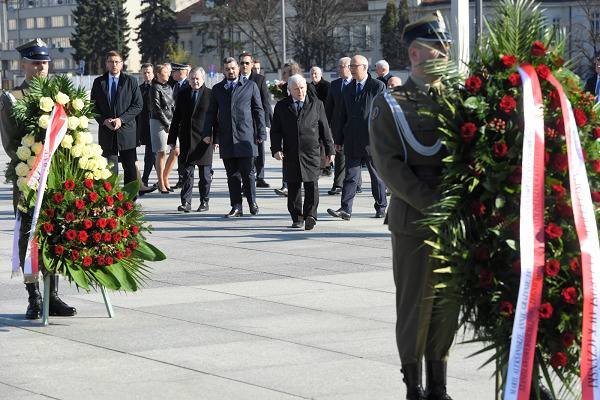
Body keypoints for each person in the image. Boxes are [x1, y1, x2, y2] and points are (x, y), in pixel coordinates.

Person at [369, 13, 456, 400]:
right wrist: (433, 204)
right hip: (415, 220)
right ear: (416, 53)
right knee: (416, 305)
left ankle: (439, 385)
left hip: (454, 221)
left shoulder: (458, 100)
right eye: (440, 48)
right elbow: (388, 165)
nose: (446, 54)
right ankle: (414, 386)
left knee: (446, 306)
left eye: (447, 48)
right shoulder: (391, 103)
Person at [0, 39, 76, 319]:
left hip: (56, 176)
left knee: (55, 230)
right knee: (29, 235)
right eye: (35, 62)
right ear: (23, 65)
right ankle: (34, 296)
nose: (41, 67)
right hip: (28, 178)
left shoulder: (59, 96)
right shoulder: (12, 98)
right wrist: (35, 160)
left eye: (44, 62)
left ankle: (53, 295)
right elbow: (11, 144)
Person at [327, 54, 387, 221]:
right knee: (350, 176)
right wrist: (338, 140)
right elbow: (341, 116)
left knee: (376, 176)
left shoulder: (377, 86)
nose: (351, 69)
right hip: (352, 139)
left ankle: (381, 206)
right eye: (350, 66)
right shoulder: (347, 89)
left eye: (354, 66)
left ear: (365, 67)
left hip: (372, 140)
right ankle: (346, 209)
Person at [204, 57, 266, 217]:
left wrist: (261, 132)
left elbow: (258, 110)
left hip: (246, 137)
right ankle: (236, 206)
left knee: (248, 173)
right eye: (227, 69)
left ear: (238, 69)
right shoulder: (218, 89)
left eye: (232, 68)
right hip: (227, 137)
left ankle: (252, 202)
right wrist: (207, 133)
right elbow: (211, 113)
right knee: (232, 175)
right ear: (223, 71)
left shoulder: (250, 86)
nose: (230, 71)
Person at [271, 74, 334, 230]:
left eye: (302, 88)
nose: (300, 91)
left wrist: (330, 151)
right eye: (296, 89)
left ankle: (311, 215)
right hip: (291, 152)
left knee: (312, 184)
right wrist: (276, 149)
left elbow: (325, 130)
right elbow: (275, 131)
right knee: (293, 186)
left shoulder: (316, 104)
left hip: (312, 152)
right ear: (289, 90)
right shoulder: (282, 106)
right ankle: (297, 217)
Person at [91, 50, 143, 186]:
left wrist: (122, 119)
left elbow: (138, 105)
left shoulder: (131, 81)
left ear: (122, 64)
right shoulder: (98, 82)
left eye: (117, 62)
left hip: (127, 132)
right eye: (111, 62)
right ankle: (110, 201)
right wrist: (103, 120)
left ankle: (130, 201)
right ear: (106, 64)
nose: (114, 64)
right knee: (109, 169)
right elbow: (92, 107)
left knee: (130, 168)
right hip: (107, 133)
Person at [168, 67, 213, 212]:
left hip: (204, 140)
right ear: (189, 79)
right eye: (192, 78)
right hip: (187, 139)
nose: (195, 81)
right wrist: (172, 139)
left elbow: (216, 119)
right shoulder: (182, 94)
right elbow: (176, 118)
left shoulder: (210, 94)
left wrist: (214, 138)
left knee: (205, 176)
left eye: (197, 78)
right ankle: (186, 202)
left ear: (203, 79)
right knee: (187, 174)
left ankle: (204, 202)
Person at [324, 57, 362, 195]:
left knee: (355, 154)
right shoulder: (334, 85)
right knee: (339, 154)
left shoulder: (358, 83)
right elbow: (329, 107)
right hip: (338, 126)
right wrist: (326, 125)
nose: (339, 69)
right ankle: (338, 184)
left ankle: (357, 183)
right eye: (338, 66)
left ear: (349, 67)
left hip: (354, 126)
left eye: (342, 66)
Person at [239, 51, 272, 188]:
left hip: (256, 121)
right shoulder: (235, 79)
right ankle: (245, 178)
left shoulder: (259, 79)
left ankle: (260, 176)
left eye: (247, 63)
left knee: (259, 151)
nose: (245, 66)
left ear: (252, 64)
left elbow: (265, 102)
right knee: (243, 152)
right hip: (241, 123)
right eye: (242, 63)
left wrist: (265, 123)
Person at [149, 63, 177, 194]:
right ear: (159, 75)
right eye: (166, 72)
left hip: (171, 122)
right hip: (159, 123)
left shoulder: (169, 87)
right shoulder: (154, 88)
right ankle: (161, 182)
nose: (169, 74)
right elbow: (157, 109)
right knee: (161, 153)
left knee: (176, 151)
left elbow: (173, 106)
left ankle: (165, 176)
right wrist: (168, 125)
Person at [136, 63, 157, 195]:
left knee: (151, 153)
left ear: (153, 73)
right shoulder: (139, 89)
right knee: (152, 154)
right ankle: (162, 180)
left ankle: (145, 180)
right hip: (142, 125)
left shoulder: (157, 87)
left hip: (154, 125)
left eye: (149, 72)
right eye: (144, 73)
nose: (146, 75)